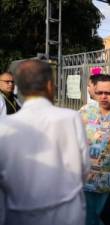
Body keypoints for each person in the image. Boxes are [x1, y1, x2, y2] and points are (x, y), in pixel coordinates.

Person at [0, 59, 90, 225]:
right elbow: (84, 169)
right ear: (50, 85)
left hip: (19, 215)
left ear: (20, 87)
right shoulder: (70, 118)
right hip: (67, 213)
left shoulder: (3, 126)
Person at [79, 74, 110, 225]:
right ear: (94, 91)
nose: (103, 97)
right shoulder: (85, 111)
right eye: (99, 92)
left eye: (108, 93)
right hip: (86, 182)